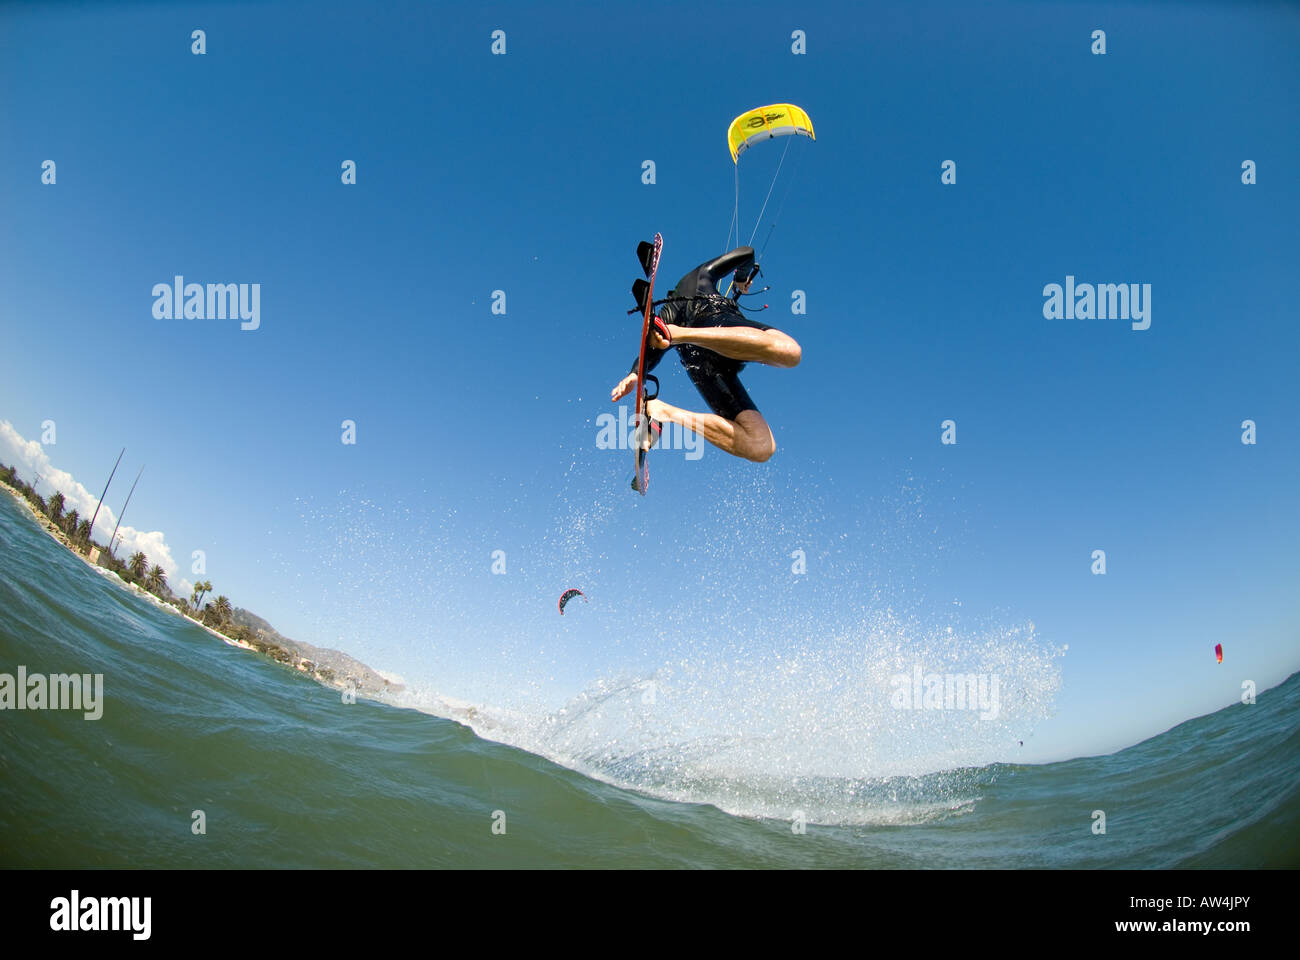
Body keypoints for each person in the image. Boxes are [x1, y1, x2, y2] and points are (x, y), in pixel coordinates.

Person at [609, 246, 801, 463]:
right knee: (789, 351)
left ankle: (662, 411)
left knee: (761, 446)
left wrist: (636, 373)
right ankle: (682, 335)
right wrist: (741, 276)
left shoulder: (670, 312)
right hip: (708, 325)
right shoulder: (699, 278)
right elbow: (747, 253)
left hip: (708, 360)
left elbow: (655, 344)